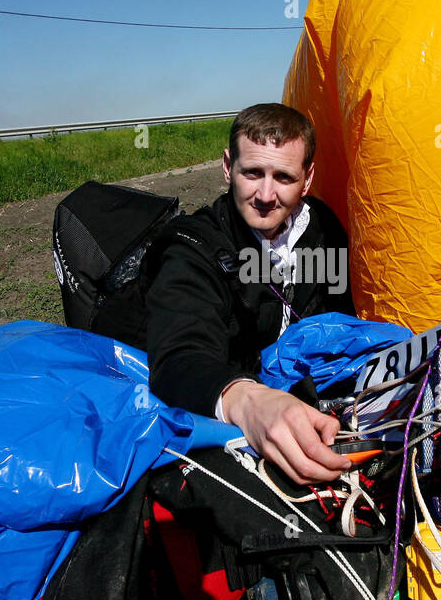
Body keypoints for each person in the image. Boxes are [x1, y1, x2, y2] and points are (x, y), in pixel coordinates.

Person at [146, 103, 355, 486]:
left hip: (319, 406)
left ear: (307, 180)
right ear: (228, 167)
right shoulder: (191, 248)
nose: (265, 194)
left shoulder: (324, 227)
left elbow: (340, 319)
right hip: (238, 424)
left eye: (284, 177)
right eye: (252, 173)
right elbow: (178, 358)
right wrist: (249, 400)